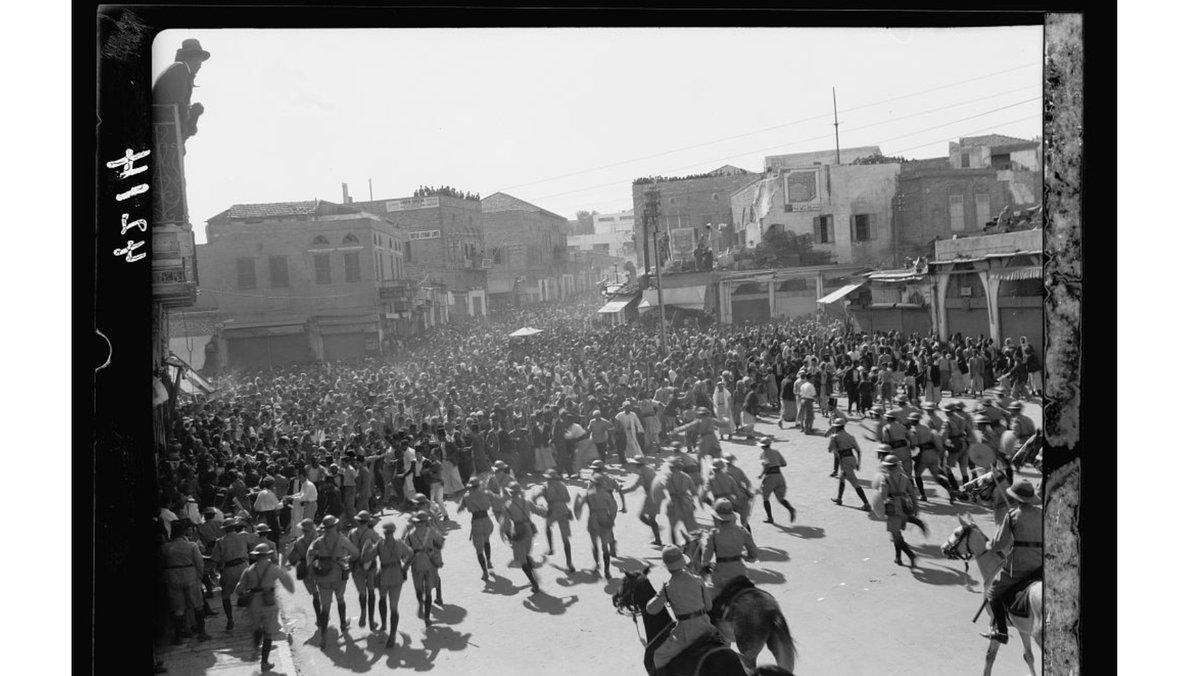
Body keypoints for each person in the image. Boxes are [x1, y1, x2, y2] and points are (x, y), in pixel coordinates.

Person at [981, 479, 1043, 645]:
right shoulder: (1042, 514)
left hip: (1019, 567)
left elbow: (999, 544)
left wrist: (988, 545)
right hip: (1040, 566)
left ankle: (1002, 631)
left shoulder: (1012, 515)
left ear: (1015, 498)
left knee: (992, 592)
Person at [646, 545, 720, 675]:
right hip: (707, 627)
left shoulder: (668, 587)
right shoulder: (697, 579)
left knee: (659, 656)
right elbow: (708, 606)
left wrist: (661, 594)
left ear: (667, 566)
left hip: (685, 633)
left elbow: (651, 610)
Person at [700, 498, 760, 644]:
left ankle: (710, 632)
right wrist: (745, 556)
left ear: (717, 517)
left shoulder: (714, 534)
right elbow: (755, 555)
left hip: (721, 577)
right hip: (740, 575)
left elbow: (705, 561)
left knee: (704, 603)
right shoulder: (742, 531)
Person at [235, 543, 295, 672]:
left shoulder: (249, 570)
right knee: (268, 633)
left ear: (256, 556)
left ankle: (255, 649)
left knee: (257, 629)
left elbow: (239, 588)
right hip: (269, 602)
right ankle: (264, 663)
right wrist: (291, 589)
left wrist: (246, 594)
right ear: (268, 555)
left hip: (253, 603)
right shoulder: (273, 568)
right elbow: (288, 582)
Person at [306, 514, 359, 648]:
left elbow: (309, 554)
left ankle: (323, 637)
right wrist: (346, 559)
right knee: (340, 599)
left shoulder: (319, 541)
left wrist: (317, 561)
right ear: (335, 525)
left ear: (324, 527)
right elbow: (356, 553)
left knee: (325, 607)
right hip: (338, 575)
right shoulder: (341, 539)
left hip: (322, 576)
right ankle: (342, 624)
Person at [871, 454, 927, 567]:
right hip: (904, 509)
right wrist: (916, 509)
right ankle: (898, 558)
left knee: (896, 535)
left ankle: (911, 555)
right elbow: (912, 494)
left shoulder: (884, 478)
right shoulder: (904, 478)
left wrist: (882, 504)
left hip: (893, 510)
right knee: (897, 533)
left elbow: (883, 496)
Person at [161, 520, 210, 644]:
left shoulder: (165, 547)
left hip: (172, 575)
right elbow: (199, 563)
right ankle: (202, 632)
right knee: (198, 604)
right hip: (190, 574)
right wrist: (199, 577)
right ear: (183, 532)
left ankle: (178, 636)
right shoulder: (191, 545)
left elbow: (161, 564)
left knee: (178, 608)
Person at [151, 39, 210, 143]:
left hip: (166, 131)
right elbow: (178, 104)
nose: (200, 65)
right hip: (165, 134)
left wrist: (194, 116)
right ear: (191, 58)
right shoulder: (180, 70)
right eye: (199, 60)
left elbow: (180, 107)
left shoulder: (181, 71)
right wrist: (190, 121)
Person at [499, 483, 546, 593]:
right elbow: (539, 511)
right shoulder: (527, 502)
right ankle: (534, 576)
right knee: (526, 554)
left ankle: (534, 584)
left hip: (519, 530)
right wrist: (546, 510)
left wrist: (507, 535)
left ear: (510, 493)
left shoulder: (508, 505)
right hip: (529, 530)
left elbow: (505, 524)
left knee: (522, 560)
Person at [373, 521, 414, 648]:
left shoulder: (379, 544)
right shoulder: (400, 543)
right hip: (397, 574)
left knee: (382, 598)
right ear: (394, 531)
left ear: (384, 532)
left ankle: (384, 623)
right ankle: (392, 634)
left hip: (384, 574)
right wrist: (405, 567)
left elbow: (368, 556)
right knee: (394, 606)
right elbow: (411, 554)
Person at [402, 510, 445, 626]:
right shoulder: (430, 532)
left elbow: (404, 549)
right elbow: (440, 542)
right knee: (429, 590)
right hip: (429, 561)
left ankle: (420, 603)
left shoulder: (410, 534)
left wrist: (405, 563)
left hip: (416, 562)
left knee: (418, 586)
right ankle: (427, 618)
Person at [574, 472, 619, 579]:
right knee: (605, 547)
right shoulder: (606, 494)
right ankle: (607, 571)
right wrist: (611, 518)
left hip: (593, 519)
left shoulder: (588, 494)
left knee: (594, 544)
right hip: (604, 519)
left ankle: (597, 564)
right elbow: (614, 508)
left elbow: (579, 506)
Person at [211, 517, 250, 632]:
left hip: (229, 569)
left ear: (224, 529)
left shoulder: (220, 541)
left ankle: (230, 620)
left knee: (226, 596)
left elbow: (215, 559)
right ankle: (255, 616)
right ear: (235, 527)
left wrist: (204, 557)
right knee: (251, 591)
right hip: (244, 566)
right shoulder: (243, 536)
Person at [534, 468, 576, 572]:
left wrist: (539, 506)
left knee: (548, 527)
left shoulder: (545, 487)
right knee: (565, 539)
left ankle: (551, 548)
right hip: (563, 510)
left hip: (552, 510)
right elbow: (568, 499)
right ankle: (569, 562)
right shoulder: (562, 485)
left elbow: (534, 497)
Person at [347, 510, 382, 631]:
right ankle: (372, 621)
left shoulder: (351, 533)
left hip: (356, 566)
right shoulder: (371, 533)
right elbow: (380, 544)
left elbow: (347, 549)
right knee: (371, 591)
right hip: (370, 565)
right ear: (368, 522)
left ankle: (363, 613)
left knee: (362, 593)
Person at [457, 477, 498, 580]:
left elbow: (459, 510)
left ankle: (485, 572)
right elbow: (496, 499)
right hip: (487, 520)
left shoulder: (466, 496)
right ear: (479, 485)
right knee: (486, 540)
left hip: (476, 522)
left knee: (479, 549)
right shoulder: (486, 493)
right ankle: (489, 561)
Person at [827, 419, 871, 511]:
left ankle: (866, 503)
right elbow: (858, 451)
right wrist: (858, 463)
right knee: (842, 477)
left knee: (854, 482)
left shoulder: (835, 436)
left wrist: (833, 440)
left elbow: (829, 450)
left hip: (845, 461)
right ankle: (839, 498)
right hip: (852, 459)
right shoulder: (850, 436)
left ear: (836, 427)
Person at [285, 518, 322, 619]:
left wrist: (297, 563)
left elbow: (291, 557)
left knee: (315, 594)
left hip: (306, 569)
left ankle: (319, 617)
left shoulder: (299, 542)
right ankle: (324, 612)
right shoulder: (319, 539)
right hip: (320, 567)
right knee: (324, 591)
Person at [663, 457, 700, 545]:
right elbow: (695, 492)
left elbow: (661, 491)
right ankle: (695, 549)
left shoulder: (667, 478)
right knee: (692, 531)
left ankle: (675, 548)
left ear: (672, 467)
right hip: (686, 505)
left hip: (673, 505)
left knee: (672, 529)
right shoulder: (686, 476)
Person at [758, 439, 796, 524]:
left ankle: (770, 517)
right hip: (779, 476)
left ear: (763, 446)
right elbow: (784, 464)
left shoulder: (763, 454)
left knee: (765, 498)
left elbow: (766, 465)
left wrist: (761, 475)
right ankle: (790, 508)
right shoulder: (776, 452)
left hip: (770, 477)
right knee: (780, 498)